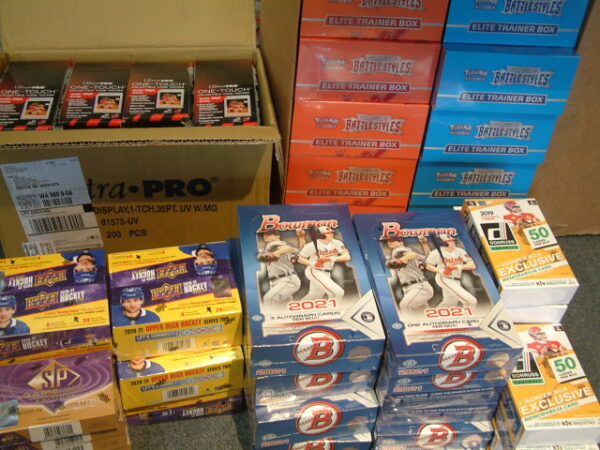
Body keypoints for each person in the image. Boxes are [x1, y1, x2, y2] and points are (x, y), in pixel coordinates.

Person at [384, 235, 433, 317]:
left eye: (393, 241)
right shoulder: (408, 251)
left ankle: (410, 324)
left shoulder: (398, 250)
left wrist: (402, 260)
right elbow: (427, 258)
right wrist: (424, 244)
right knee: (423, 314)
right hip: (416, 287)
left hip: (418, 286)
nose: (390, 243)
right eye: (388, 241)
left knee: (405, 306)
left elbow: (412, 254)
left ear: (401, 242)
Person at [298, 226, 350, 302]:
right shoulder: (312, 245)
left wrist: (329, 259)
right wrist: (313, 264)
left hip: (327, 272)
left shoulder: (337, 243)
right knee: (338, 293)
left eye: (331, 232)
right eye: (328, 233)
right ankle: (333, 308)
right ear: (321, 235)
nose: (332, 234)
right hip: (315, 270)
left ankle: (296, 308)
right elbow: (300, 259)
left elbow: (347, 257)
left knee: (315, 295)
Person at [426, 234, 478, 308]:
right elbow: (428, 266)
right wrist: (441, 271)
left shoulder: (459, 251)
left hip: (456, 279)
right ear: (443, 243)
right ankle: (468, 315)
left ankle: (432, 315)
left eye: (453, 240)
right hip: (444, 278)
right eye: (449, 241)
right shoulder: (436, 252)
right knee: (471, 301)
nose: (453, 242)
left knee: (449, 302)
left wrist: (456, 267)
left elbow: (472, 265)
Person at [256, 229, 304, 308]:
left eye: (268, 234)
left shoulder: (272, 244)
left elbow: (287, 248)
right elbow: (301, 252)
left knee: (269, 299)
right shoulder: (283, 245)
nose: (265, 236)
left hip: (286, 280)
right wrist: (301, 237)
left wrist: (275, 253)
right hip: (283, 281)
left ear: (277, 236)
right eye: (264, 235)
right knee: (284, 308)